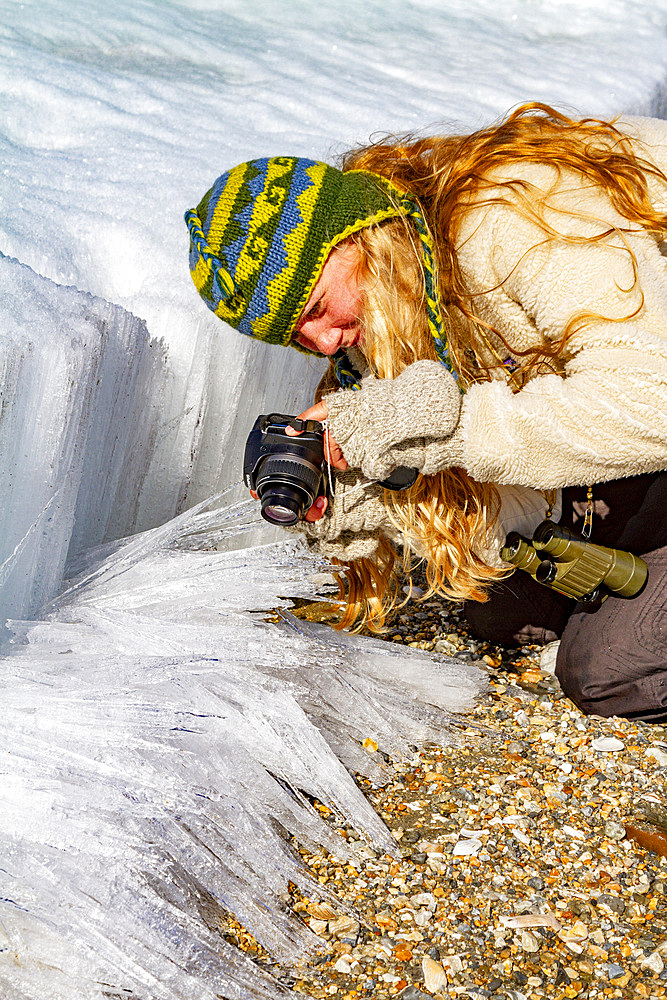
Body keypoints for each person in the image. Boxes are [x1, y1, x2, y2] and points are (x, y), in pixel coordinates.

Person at [185, 103, 667, 722]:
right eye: (296, 338)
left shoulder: (511, 217)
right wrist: (371, 499)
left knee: (610, 670)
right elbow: (513, 500)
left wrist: (445, 432)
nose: (326, 343)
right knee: (508, 610)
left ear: (350, 239)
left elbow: (649, 404)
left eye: (313, 307)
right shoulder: (398, 292)